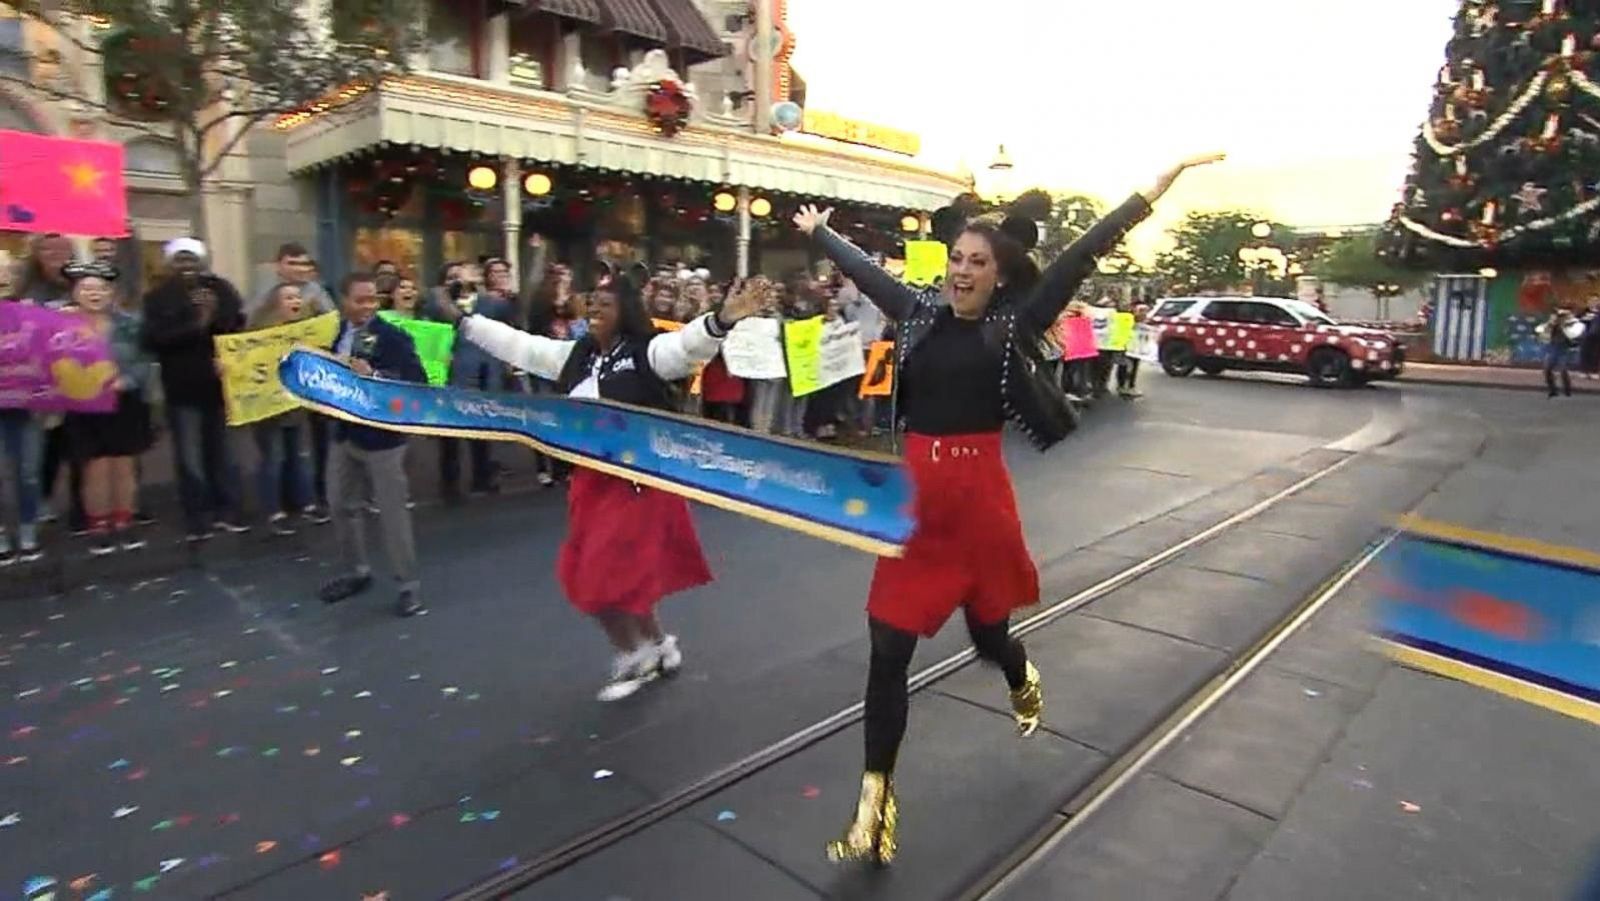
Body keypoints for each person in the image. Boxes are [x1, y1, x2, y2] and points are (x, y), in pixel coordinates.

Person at [794, 152, 1221, 865]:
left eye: (976, 263)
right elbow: (872, 279)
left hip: (981, 509)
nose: (961, 271)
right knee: (886, 652)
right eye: (956, 258)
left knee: (988, 638)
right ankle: (875, 804)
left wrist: (1153, 188)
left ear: (997, 273)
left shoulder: (1017, 319)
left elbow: (1087, 251)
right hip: (916, 513)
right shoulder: (921, 309)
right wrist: (821, 235)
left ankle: (1020, 673)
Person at [434, 274, 766, 701]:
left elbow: (686, 349)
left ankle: (634, 656)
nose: (593, 309)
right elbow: (521, 346)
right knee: (615, 576)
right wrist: (462, 322)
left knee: (599, 580)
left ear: (624, 312)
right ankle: (660, 645)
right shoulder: (577, 355)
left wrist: (722, 321)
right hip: (590, 484)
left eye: (605, 304)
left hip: (637, 484)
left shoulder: (646, 354)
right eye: (591, 301)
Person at [319, 272, 428, 617]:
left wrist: (376, 376)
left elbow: (417, 381)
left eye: (372, 300)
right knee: (339, 504)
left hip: (383, 439)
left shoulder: (393, 337)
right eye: (359, 300)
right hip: (344, 434)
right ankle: (356, 571)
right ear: (343, 301)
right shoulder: (336, 333)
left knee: (392, 513)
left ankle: (408, 586)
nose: (367, 307)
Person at [140, 238, 250, 542]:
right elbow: (153, 339)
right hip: (182, 388)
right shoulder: (157, 297)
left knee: (224, 453)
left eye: (192, 260)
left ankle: (228, 509)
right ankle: (197, 516)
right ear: (171, 264)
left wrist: (217, 315)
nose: (187, 267)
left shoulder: (222, 289)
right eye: (181, 261)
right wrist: (196, 322)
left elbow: (237, 326)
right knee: (190, 457)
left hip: (220, 386)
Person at [59, 261, 154, 555]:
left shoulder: (130, 323)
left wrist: (127, 380)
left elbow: (145, 359)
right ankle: (98, 525)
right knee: (94, 467)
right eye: (87, 288)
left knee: (123, 465)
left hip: (124, 401)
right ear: (76, 292)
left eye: (100, 288)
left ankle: (124, 522)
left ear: (111, 292)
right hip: (83, 402)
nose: (94, 293)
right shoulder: (61, 324)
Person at [247, 283, 317, 536]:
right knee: (272, 457)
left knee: (295, 454)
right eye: (288, 297)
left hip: (294, 406)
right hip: (268, 408)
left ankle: (300, 503)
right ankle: (273, 510)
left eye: (297, 296)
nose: (294, 301)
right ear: (276, 304)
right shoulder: (261, 332)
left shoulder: (306, 332)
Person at [250, 242, 333, 318]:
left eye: (303, 264)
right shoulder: (265, 291)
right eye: (292, 263)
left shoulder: (315, 291)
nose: (298, 269)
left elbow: (330, 317)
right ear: (278, 265)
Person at [1538, 306, 1580, 398]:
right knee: (1547, 369)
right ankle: (1553, 390)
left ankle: (1567, 390)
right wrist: (1550, 324)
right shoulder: (1552, 324)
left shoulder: (1573, 324)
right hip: (1553, 348)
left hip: (1564, 349)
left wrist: (1563, 325)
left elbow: (1572, 335)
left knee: (1563, 369)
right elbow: (1539, 330)